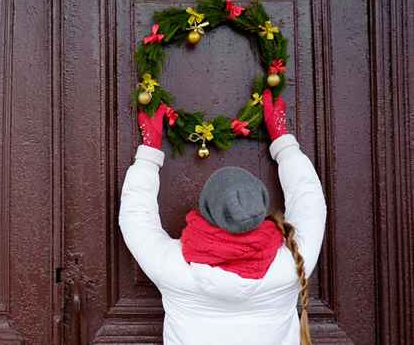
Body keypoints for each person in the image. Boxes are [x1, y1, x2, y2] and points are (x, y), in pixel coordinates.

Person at [119, 90, 327, 345]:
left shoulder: (175, 268)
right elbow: (309, 201)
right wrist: (283, 141)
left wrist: (149, 152)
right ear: (261, 206)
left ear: (205, 208)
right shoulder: (290, 266)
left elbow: (135, 219)